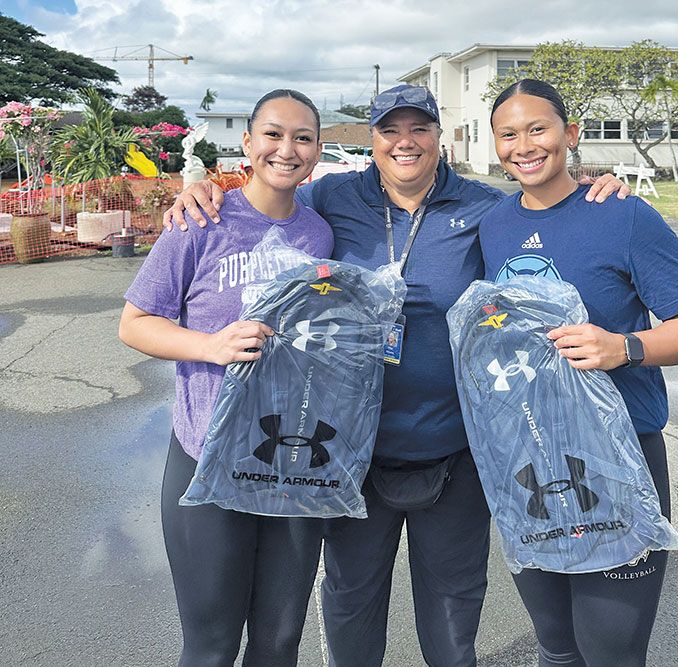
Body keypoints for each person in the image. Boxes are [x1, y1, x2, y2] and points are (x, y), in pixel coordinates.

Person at [167, 84, 629, 667]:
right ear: (372, 139)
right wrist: (205, 189)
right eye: (389, 130)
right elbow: (270, 190)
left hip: (451, 445)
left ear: (441, 137)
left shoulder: (485, 209)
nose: (404, 142)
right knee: (351, 603)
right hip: (348, 449)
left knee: (452, 611)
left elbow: (547, 214)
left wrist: (589, 187)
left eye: (420, 129)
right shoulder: (333, 197)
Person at [480, 78, 678, 667]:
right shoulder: (493, 223)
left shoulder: (623, 214)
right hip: (529, 459)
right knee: (556, 646)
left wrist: (625, 347)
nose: (524, 145)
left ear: (571, 134)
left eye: (538, 128)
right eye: (508, 134)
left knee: (610, 650)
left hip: (618, 457)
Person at [119, 89, 334, 667]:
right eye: (272, 134)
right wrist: (211, 347)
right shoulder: (202, 221)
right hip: (207, 459)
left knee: (279, 639)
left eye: (303, 138)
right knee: (212, 646)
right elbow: (135, 324)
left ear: (316, 153)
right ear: (246, 143)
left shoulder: (320, 233)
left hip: (293, 463)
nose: (286, 149)